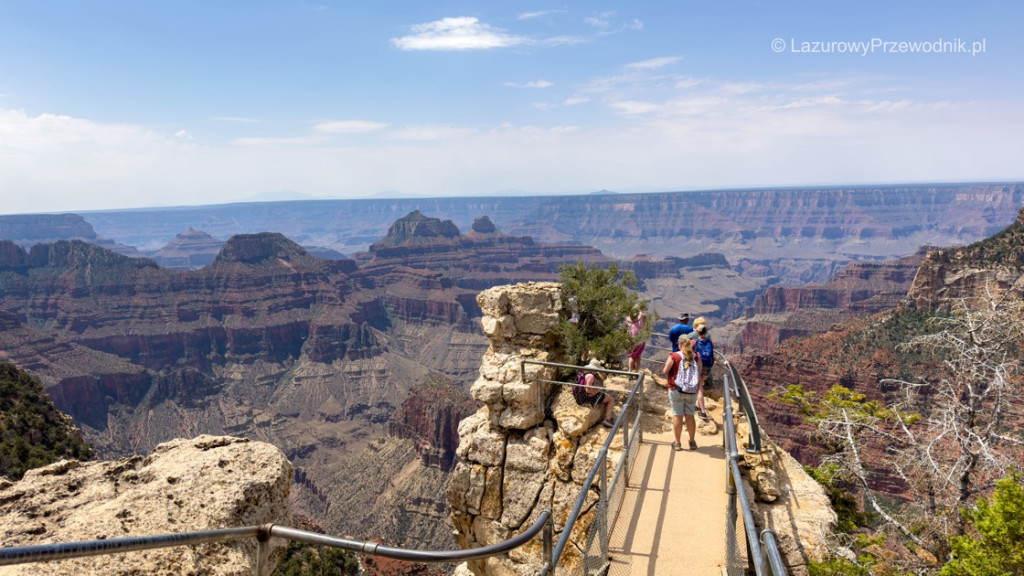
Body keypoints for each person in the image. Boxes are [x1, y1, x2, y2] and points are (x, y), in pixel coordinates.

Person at [662, 339, 701, 450]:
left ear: (680, 345)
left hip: (676, 389)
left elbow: (665, 371)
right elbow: (699, 371)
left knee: (677, 415)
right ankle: (692, 442)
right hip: (692, 391)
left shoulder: (674, 356)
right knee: (690, 415)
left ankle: (678, 443)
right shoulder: (697, 356)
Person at [572, 358, 616, 428]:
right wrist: (598, 391)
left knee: (605, 395)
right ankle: (607, 420)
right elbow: (588, 390)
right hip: (586, 398)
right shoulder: (591, 376)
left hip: (581, 396)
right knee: (611, 399)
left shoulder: (584, 374)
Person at [688, 317, 714, 421]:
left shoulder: (693, 339)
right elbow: (713, 348)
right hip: (707, 367)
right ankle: (698, 405)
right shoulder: (709, 339)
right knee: (700, 385)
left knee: (699, 389)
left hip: (698, 366)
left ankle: (702, 411)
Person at [625, 306, 648, 372]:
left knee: (631, 356)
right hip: (639, 339)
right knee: (637, 356)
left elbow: (626, 328)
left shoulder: (628, 320)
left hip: (629, 340)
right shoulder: (642, 317)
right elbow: (646, 322)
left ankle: (630, 371)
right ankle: (637, 372)